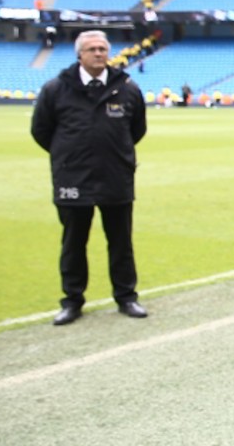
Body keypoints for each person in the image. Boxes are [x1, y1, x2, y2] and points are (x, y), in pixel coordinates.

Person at [31, 30, 149, 325]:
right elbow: (41, 132)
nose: (98, 53)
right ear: (79, 55)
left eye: (102, 48)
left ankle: (126, 297)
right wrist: (68, 156)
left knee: (121, 242)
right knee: (73, 243)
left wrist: (114, 155)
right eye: (92, 49)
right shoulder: (56, 89)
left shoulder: (128, 89)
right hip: (73, 179)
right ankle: (72, 301)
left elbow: (137, 130)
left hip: (116, 177)